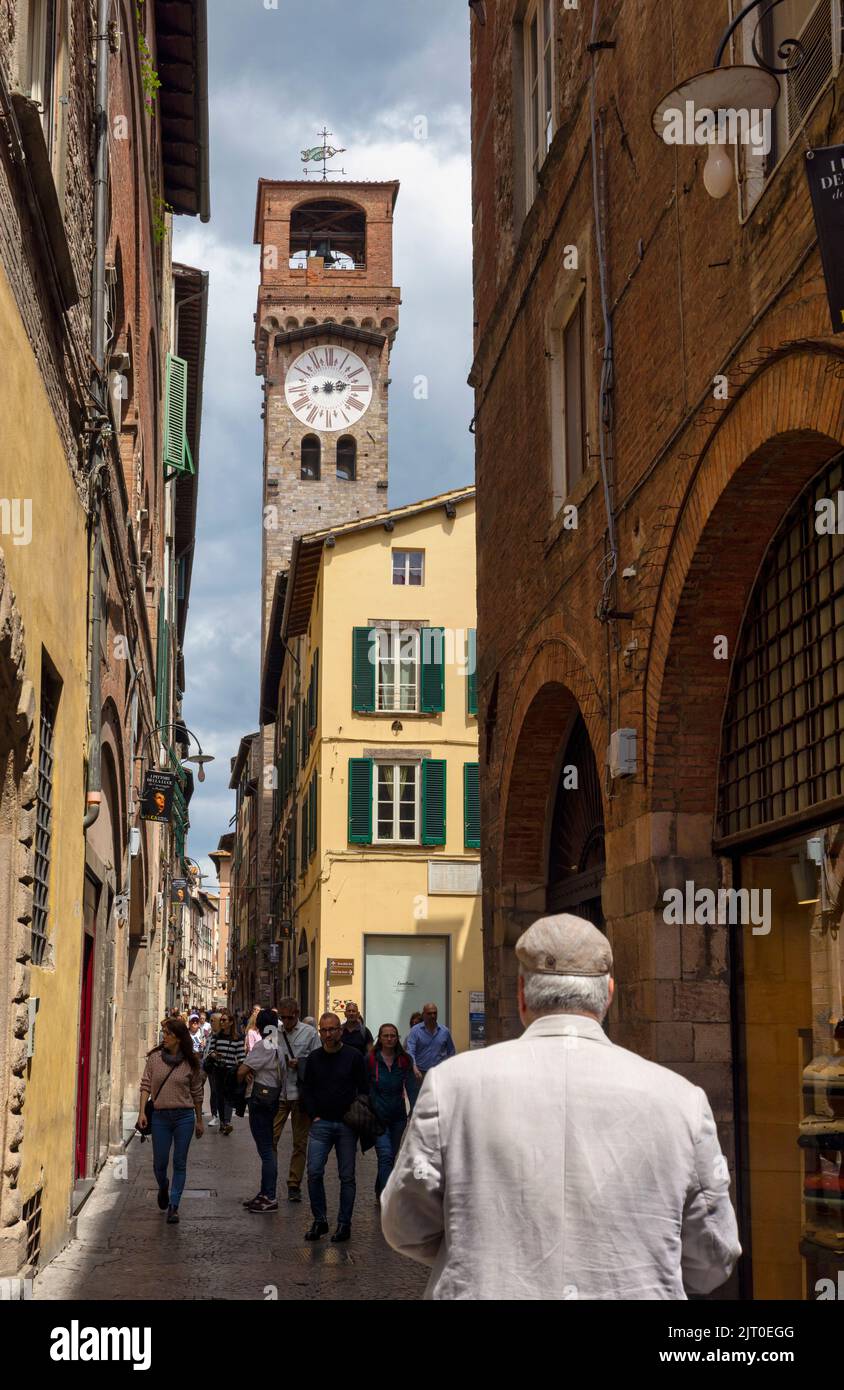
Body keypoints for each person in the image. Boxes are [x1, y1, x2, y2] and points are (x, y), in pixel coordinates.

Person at [381, 913, 742, 1300]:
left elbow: (405, 1224)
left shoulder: (452, 1086)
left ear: (521, 994)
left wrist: (483, 1255)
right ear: (609, 994)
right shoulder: (681, 1100)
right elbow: (713, 1258)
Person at [302, 1012, 368, 1243]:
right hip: (321, 1124)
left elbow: (364, 1088)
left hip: (347, 1125)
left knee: (347, 1177)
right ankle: (320, 1220)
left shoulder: (354, 1057)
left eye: (332, 1030)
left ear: (340, 1031)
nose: (328, 1034)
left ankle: (344, 1224)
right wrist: (314, 1114)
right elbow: (306, 1088)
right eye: (324, 1030)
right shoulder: (314, 1058)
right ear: (319, 1032)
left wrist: (356, 1114)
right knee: (314, 1173)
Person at [137, 1017, 204, 1224]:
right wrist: (142, 1112)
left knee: (179, 1162)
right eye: (163, 1033)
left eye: (168, 1034)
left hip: (184, 1117)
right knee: (159, 1163)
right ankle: (163, 1186)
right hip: (160, 1117)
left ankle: (174, 1206)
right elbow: (145, 1085)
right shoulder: (155, 1059)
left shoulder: (190, 1061)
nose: (163, 1037)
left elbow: (197, 1092)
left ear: (178, 1038)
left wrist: (199, 1120)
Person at [273, 998, 320, 1202]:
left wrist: (300, 1063)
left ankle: (294, 1184)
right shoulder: (274, 1033)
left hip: (300, 1095)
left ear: (297, 1014)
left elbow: (319, 1061)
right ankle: (269, 1181)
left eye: (289, 1017)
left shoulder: (309, 1033)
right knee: (270, 1138)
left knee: (299, 1143)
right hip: (279, 1093)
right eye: (282, 1017)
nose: (286, 1021)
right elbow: (265, 1055)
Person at [238, 1008, 283, 1213]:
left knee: (266, 1150)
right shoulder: (278, 1042)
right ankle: (265, 1192)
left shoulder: (264, 1045)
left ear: (260, 1026)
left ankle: (269, 1196)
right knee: (268, 1149)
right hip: (274, 1097)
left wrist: (242, 1074)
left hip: (260, 1100)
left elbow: (242, 1071)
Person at [368, 1024, 411, 1200]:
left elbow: (411, 1087)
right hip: (378, 1117)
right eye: (385, 1036)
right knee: (385, 1155)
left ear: (397, 1038)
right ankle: (387, 1197)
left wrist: (416, 1108)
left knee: (391, 1156)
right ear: (380, 1038)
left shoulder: (404, 1060)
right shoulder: (370, 1059)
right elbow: (364, 1085)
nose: (389, 1039)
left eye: (393, 1035)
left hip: (398, 1117)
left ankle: (380, 1187)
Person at [205, 1009, 245, 1134]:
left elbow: (241, 1057)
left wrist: (242, 1070)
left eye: (224, 1020)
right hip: (218, 1070)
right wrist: (214, 1055)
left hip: (230, 1072)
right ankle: (223, 1122)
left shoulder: (237, 1038)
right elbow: (210, 1051)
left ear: (231, 1022)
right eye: (221, 1020)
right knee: (220, 1097)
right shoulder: (216, 1037)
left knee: (229, 1097)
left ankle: (226, 1122)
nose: (221, 1022)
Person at [404, 1002, 455, 1087]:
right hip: (420, 1073)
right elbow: (410, 1051)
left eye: (435, 1013)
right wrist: (414, 1068)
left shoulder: (444, 1031)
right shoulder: (415, 1031)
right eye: (429, 1013)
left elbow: (451, 1052)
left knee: (438, 1098)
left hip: (439, 1072)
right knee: (420, 1099)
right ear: (423, 1015)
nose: (432, 1016)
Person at [403, 1011, 423, 1111]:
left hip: (424, 1069)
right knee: (413, 1097)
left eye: (417, 1023)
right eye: (413, 1023)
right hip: (411, 1071)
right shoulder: (408, 1036)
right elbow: (405, 1051)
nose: (415, 1025)